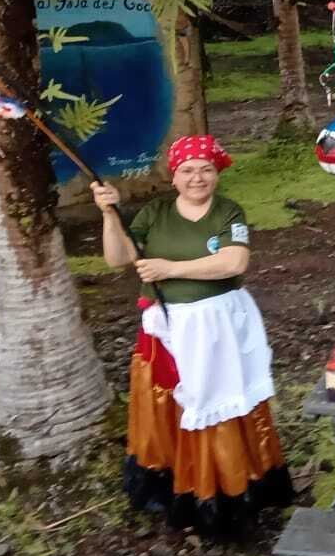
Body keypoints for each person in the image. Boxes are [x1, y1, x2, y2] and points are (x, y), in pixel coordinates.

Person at [91, 134, 293, 533]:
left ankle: (230, 482)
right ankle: (176, 480)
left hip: (220, 326)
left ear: (216, 174)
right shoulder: (155, 213)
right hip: (167, 328)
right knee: (170, 401)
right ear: (174, 176)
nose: (197, 178)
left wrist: (170, 268)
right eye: (187, 170)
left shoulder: (228, 212)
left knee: (222, 395)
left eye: (205, 169)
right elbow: (117, 258)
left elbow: (234, 262)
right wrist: (109, 215)